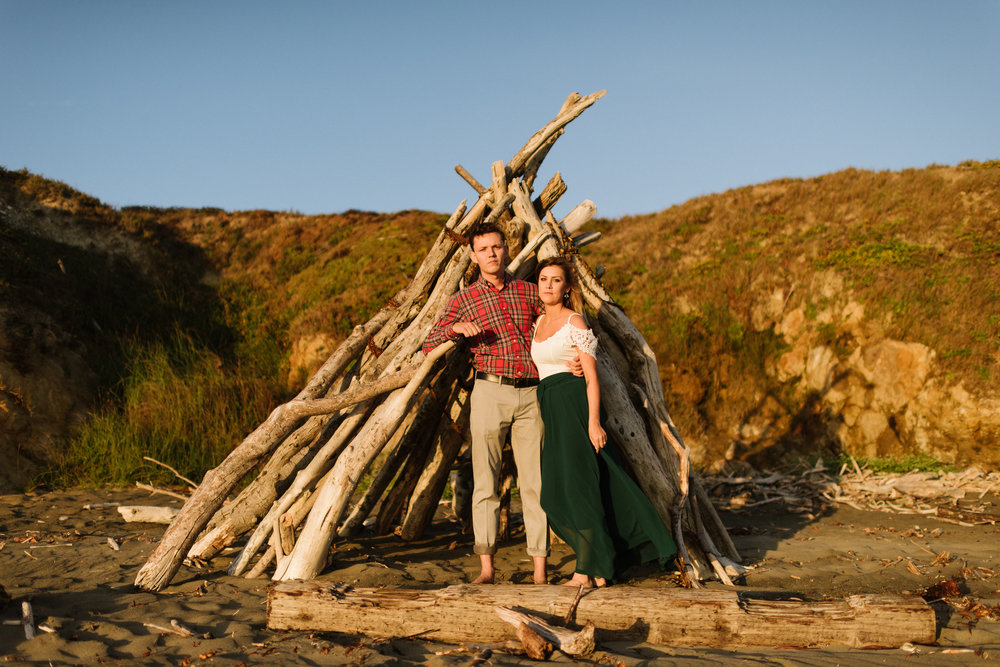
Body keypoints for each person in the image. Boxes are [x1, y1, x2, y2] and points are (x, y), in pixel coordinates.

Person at [531, 256, 677, 587]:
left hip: (573, 406)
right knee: (554, 493)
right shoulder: (536, 323)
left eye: (556, 280)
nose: (549, 286)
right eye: (543, 279)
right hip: (550, 408)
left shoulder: (576, 323)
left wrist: (593, 422)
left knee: (579, 487)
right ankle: (600, 564)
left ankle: (586, 570)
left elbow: (592, 379)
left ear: (567, 288)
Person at [422, 222, 553, 584]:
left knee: (535, 483)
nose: (491, 254)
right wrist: (455, 330)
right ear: (473, 255)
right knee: (486, 481)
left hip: (531, 393)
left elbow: (553, 331)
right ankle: (487, 568)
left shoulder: (529, 292)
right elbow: (429, 341)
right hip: (490, 392)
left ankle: (539, 570)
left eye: (496, 247)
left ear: (505, 249)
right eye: (484, 249)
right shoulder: (463, 300)